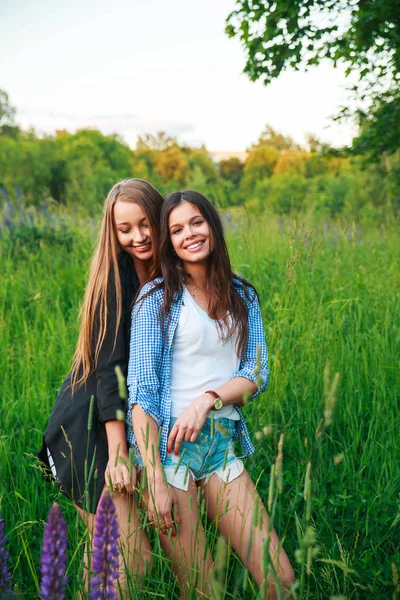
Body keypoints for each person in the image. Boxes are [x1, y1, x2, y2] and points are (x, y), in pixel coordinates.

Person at [126, 190, 295, 599]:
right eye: (177, 229)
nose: (190, 234)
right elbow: (141, 396)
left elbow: (256, 372)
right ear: (169, 241)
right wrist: (155, 480)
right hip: (169, 455)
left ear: (212, 226)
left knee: (281, 579)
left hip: (220, 445)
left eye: (197, 222)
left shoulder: (243, 294)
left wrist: (208, 399)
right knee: (203, 590)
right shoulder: (156, 299)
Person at [38, 178, 163, 596]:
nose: (137, 237)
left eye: (144, 224)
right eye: (124, 229)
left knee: (113, 560)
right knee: (129, 560)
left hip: (127, 421)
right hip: (89, 427)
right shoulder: (114, 280)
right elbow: (111, 373)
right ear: (112, 232)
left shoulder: (169, 273)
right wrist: (119, 454)